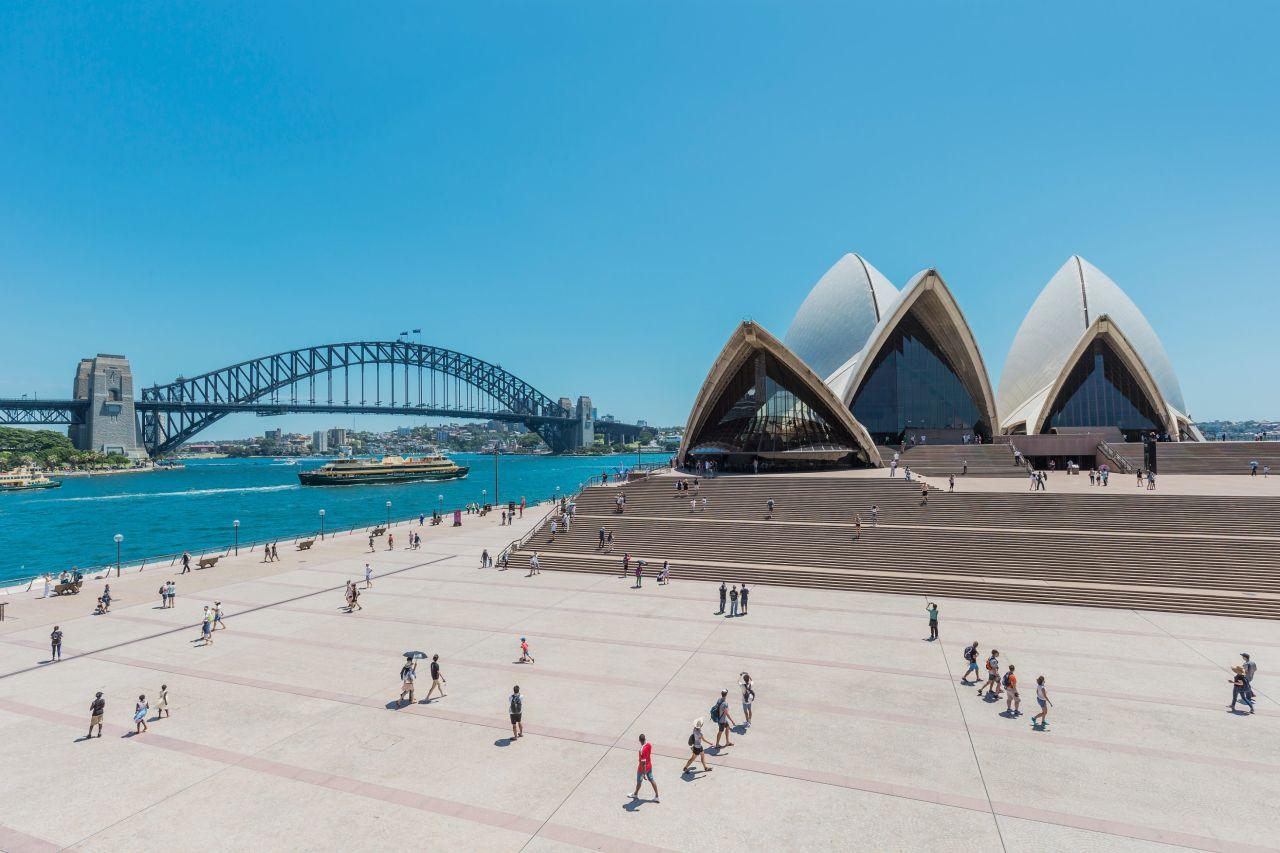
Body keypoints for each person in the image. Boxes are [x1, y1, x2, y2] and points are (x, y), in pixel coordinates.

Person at [632, 734, 659, 802]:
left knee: (639, 782)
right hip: (649, 766)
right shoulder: (649, 745)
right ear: (645, 739)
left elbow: (643, 763)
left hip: (642, 769)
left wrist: (644, 774)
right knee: (652, 780)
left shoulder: (641, 750)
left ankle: (635, 794)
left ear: (639, 740)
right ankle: (657, 796)